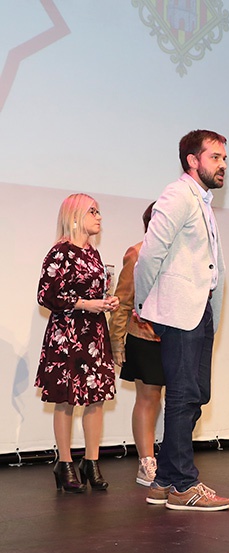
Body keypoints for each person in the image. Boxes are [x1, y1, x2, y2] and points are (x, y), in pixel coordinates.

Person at [133, 129, 229, 511]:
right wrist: (145, 303)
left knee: (196, 394)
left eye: (224, 159)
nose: (223, 165)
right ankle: (184, 485)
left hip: (199, 310)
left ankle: (164, 480)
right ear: (193, 160)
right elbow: (149, 254)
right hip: (179, 310)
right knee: (182, 395)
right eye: (215, 157)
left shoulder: (201, 201)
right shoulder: (177, 195)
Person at [35, 193, 120, 492]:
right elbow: (46, 295)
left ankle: (91, 462)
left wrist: (108, 301)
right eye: (92, 211)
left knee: (96, 398)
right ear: (74, 216)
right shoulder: (60, 252)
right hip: (68, 334)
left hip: (93, 334)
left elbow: (95, 292)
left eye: (99, 211)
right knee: (66, 399)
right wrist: (85, 304)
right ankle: (65, 463)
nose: (99, 217)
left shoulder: (93, 253)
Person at [109, 202, 165, 487]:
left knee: (182, 400)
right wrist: (116, 342)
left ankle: (173, 459)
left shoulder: (182, 256)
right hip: (144, 336)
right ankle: (146, 462)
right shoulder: (137, 253)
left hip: (177, 336)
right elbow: (123, 300)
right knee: (149, 397)